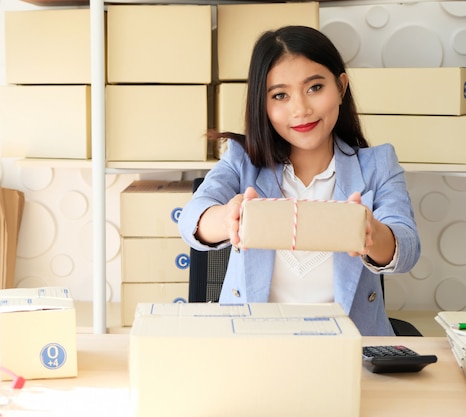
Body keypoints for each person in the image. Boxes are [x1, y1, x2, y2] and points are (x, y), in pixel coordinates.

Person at [178, 25, 420, 336]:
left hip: (350, 354)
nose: (301, 109)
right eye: (280, 95)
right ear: (262, 104)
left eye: (315, 88)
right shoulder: (242, 160)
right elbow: (191, 220)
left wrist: (372, 233)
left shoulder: (377, 164)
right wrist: (228, 218)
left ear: (341, 87)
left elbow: (408, 248)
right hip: (254, 348)